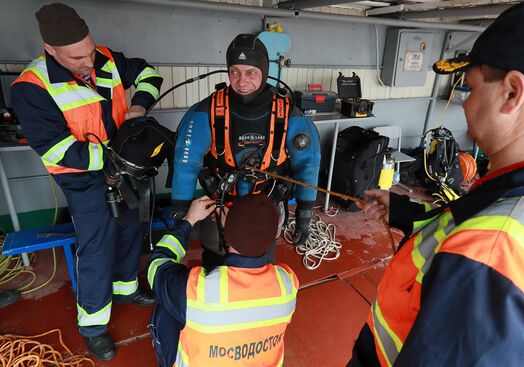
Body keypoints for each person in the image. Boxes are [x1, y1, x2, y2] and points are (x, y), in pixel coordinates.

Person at [348, 1, 524, 366]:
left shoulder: (491, 256)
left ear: (511, 94)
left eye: (470, 88)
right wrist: (406, 211)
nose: (465, 104)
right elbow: (472, 218)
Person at [10, 3, 163, 361]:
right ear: (50, 50)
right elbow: (55, 147)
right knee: (96, 246)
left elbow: (150, 75)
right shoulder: (30, 88)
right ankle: (93, 326)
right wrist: (113, 156)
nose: (89, 62)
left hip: (123, 168)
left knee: (129, 228)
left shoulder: (106, 58)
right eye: (78, 57)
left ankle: (125, 289)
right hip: (82, 179)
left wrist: (139, 106)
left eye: (90, 51)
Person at [171, 33, 321, 266]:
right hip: (220, 211)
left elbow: (308, 164)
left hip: (265, 212)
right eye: (235, 72)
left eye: (251, 72)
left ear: (264, 71)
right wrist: (182, 215)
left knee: (261, 264)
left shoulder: (288, 115)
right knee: (215, 266)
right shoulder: (206, 112)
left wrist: (304, 214)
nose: (241, 81)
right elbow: (185, 163)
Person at [147, 193, 299, 366]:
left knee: (166, 300)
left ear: (229, 231)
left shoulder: (198, 291)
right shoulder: (287, 284)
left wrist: (189, 220)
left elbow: (156, 265)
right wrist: (234, 226)